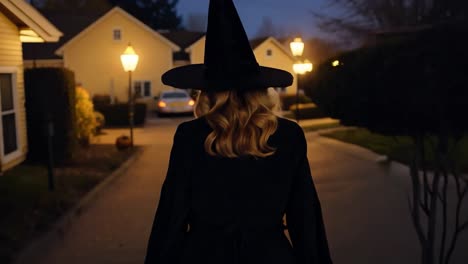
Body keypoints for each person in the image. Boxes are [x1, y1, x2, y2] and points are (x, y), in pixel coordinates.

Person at [144, 0, 333, 263]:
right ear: (260, 90)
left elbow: (171, 217)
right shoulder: (288, 135)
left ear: (207, 93)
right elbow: (305, 217)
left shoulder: (191, 136)